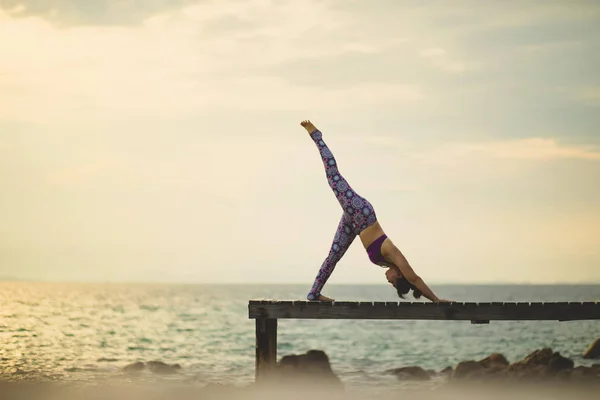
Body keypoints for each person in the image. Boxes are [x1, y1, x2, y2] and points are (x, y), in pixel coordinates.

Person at [301, 120, 450, 303]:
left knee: (333, 256)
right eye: (395, 283)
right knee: (333, 177)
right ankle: (317, 135)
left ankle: (314, 293)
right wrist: (436, 300)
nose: (390, 282)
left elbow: (412, 281)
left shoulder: (387, 262)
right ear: (400, 275)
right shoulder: (393, 253)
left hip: (354, 223)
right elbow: (414, 279)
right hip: (362, 213)